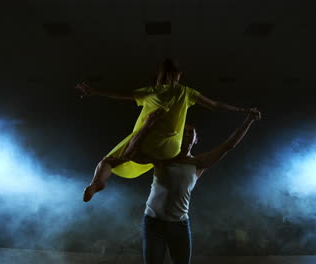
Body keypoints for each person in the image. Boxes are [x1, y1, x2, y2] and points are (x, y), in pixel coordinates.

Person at [76, 59, 252, 202]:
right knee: (172, 163)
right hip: (170, 149)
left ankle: (97, 183)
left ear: (162, 75)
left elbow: (123, 94)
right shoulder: (186, 92)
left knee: (108, 161)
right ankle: (99, 183)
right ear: (178, 75)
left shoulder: (151, 92)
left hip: (143, 144)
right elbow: (215, 106)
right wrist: (240, 110)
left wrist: (96, 91)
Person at [142, 110, 261, 264]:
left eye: (190, 132)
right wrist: (148, 124)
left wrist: (249, 120)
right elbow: (136, 150)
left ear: (196, 139)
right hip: (153, 223)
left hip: (180, 225)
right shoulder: (162, 158)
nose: (186, 135)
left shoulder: (198, 163)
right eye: (183, 131)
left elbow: (228, 145)